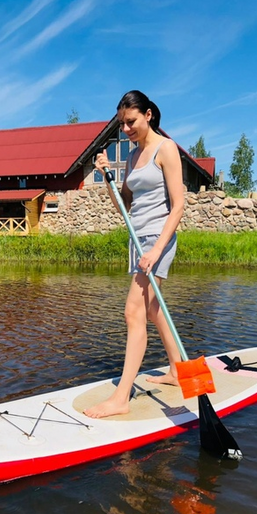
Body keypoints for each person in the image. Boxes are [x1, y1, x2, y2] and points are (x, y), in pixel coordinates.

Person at [84, 90, 185, 419]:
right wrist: (106, 178)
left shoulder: (165, 148)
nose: (126, 129)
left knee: (133, 312)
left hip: (157, 239)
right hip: (137, 240)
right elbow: (124, 206)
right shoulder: (131, 157)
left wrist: (156, 250)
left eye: (131, 122)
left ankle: (121, 398)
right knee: (153, 309)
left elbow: (178, 206)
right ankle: (177, 370)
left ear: (148, 115)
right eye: (122, 124)